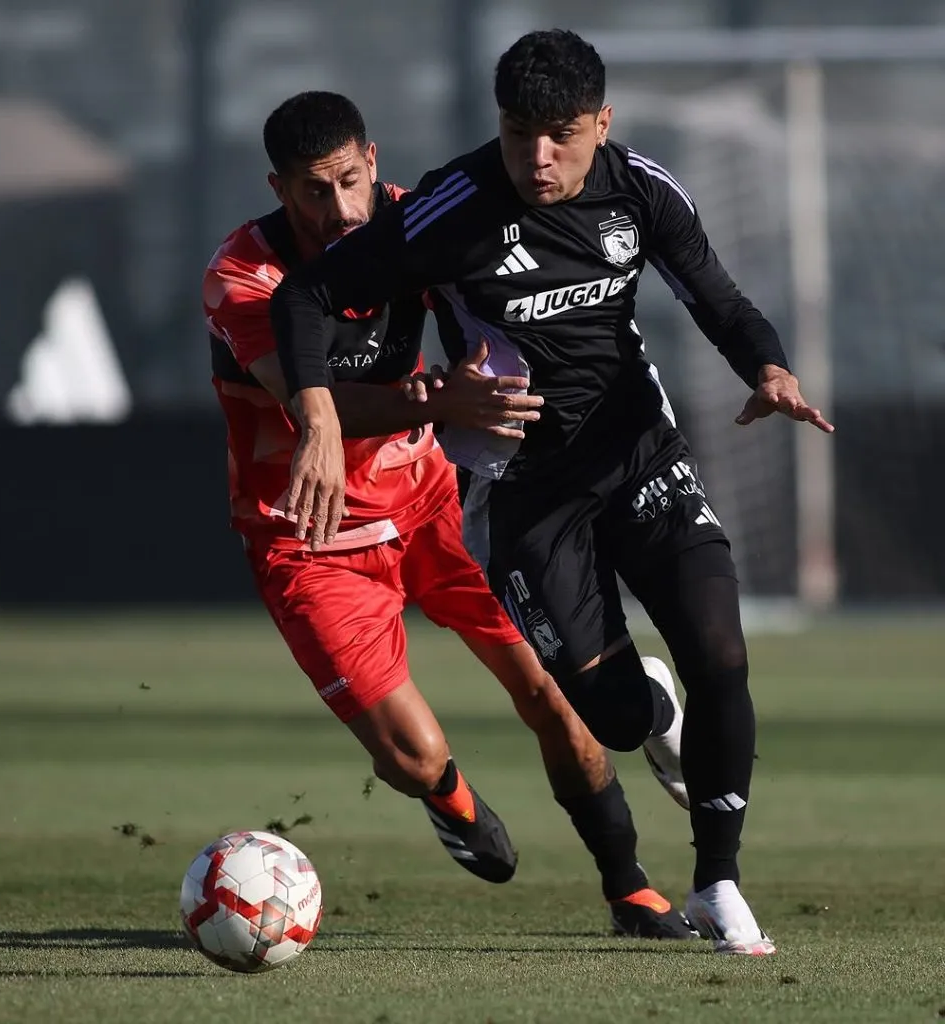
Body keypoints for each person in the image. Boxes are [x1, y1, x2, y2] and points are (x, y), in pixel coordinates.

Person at [269, 35, 836, 956]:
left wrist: (768, 369)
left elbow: (719, 300)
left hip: (639, 455)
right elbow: (302, 298)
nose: (538, 157)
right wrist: (321, 416)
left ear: (601, 125)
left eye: (561, 135)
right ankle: (650, 710)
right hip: (524, 492)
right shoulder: (452, 206)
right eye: (518, 132)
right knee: (612, 718)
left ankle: (718, 882)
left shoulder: (642, 190)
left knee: (720, 652)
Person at [203, 90, 694, 940]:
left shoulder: (413, 221)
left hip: (435, 505)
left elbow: (499, 303)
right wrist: (435, 403)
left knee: (554, 696)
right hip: (310, 537)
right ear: (279, 189)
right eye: (314, 191)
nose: (340, 209)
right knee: (413, 756)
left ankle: (631, 891)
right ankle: (447, 796)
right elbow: (310, 404)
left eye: (350, 181)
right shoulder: (244, 274)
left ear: (373, 161)